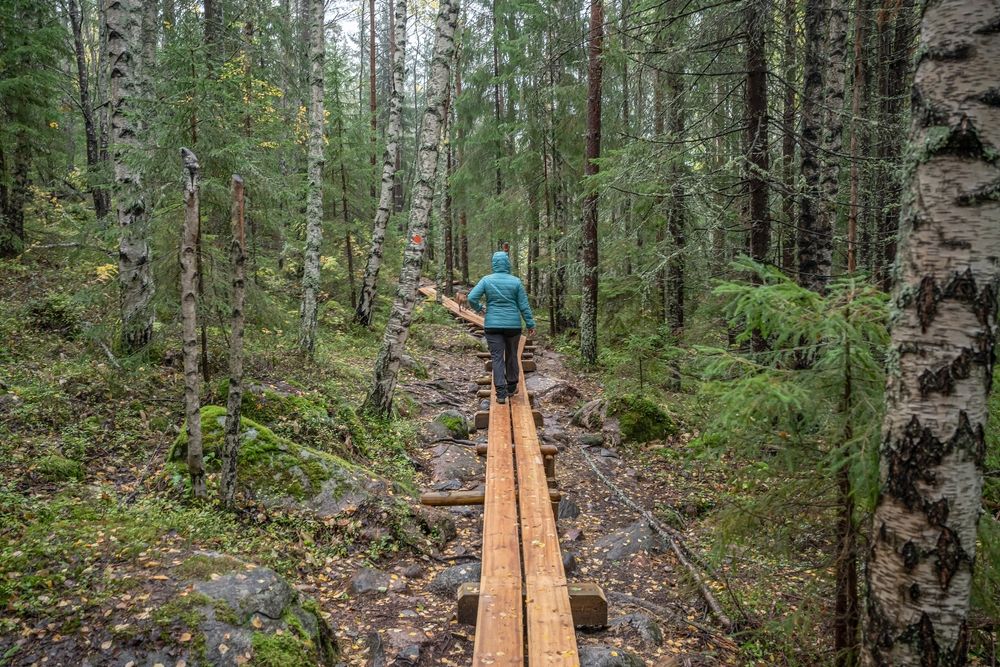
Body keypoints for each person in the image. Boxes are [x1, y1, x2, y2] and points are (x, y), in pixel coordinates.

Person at [467, 251, 536, 404]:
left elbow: (471, 297)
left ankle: (500, 394)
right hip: (513, 326)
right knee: (512, 355)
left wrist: (479, 308)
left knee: (497, 357)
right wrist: (530, 324)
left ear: (494, 264)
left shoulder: (486, 280)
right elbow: (524, 306)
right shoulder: (516, 282)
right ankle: (511, 386)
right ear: (507, 264)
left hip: (493, 326)